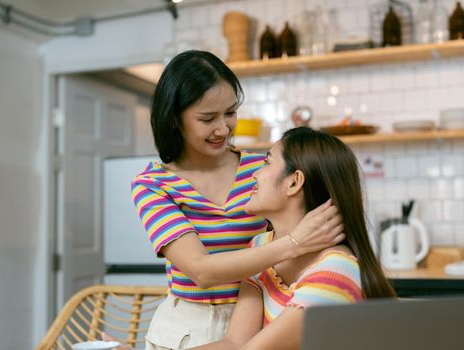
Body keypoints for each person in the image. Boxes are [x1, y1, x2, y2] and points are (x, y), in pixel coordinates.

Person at [126, 51, 344, 350]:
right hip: (187, 330)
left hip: (264, 314)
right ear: (174, 119)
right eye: (207, 118)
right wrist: (294, 242)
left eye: (230, 113)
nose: (223, 129)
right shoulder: (153, 184)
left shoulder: (262, 172)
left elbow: (318, 230)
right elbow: (201, 271)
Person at [184, 127, 397, 350]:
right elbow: (234, 343)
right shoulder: (261, 246)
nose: (255, 174)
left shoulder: (336, 270)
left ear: (294, 182)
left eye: (267, 162)